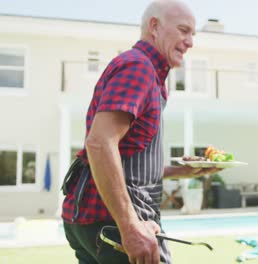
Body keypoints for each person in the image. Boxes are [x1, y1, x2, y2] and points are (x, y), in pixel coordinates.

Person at [61, 1, 219, 263]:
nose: (190, 41)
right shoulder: (139, 67)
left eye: (193, 34)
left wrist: (183, 171)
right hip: (114, 224)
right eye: (183, 30)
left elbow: (127, 160)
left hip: (95, 221)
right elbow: (100, 143)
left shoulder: (148, 74)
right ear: (154, 27)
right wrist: (130, 227)